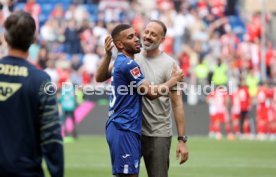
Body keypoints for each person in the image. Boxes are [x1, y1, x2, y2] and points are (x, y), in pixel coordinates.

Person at [97, 20, 189, 177]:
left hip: (157, 133)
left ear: (162, 40)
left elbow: (177, 104)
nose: (147, 36)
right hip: (132, 130)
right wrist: (107, 55)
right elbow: (100, 76)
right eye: (146, 32)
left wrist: (182, 140)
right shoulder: (132, 56)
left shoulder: (170, 65)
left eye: (154, 34)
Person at [0, 11, 64, 177]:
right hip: (26, 171)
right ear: (34, 40)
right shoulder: (41, 79)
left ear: (5, 38)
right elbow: (51, 135)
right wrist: (57, 172)